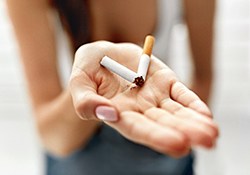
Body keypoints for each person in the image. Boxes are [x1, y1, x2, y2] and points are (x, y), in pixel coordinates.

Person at [6, 0, 218, 174]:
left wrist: (181, 130)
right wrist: (90, 88)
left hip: (158, 126)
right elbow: (51, 134)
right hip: (76, 142)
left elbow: (203, 78)